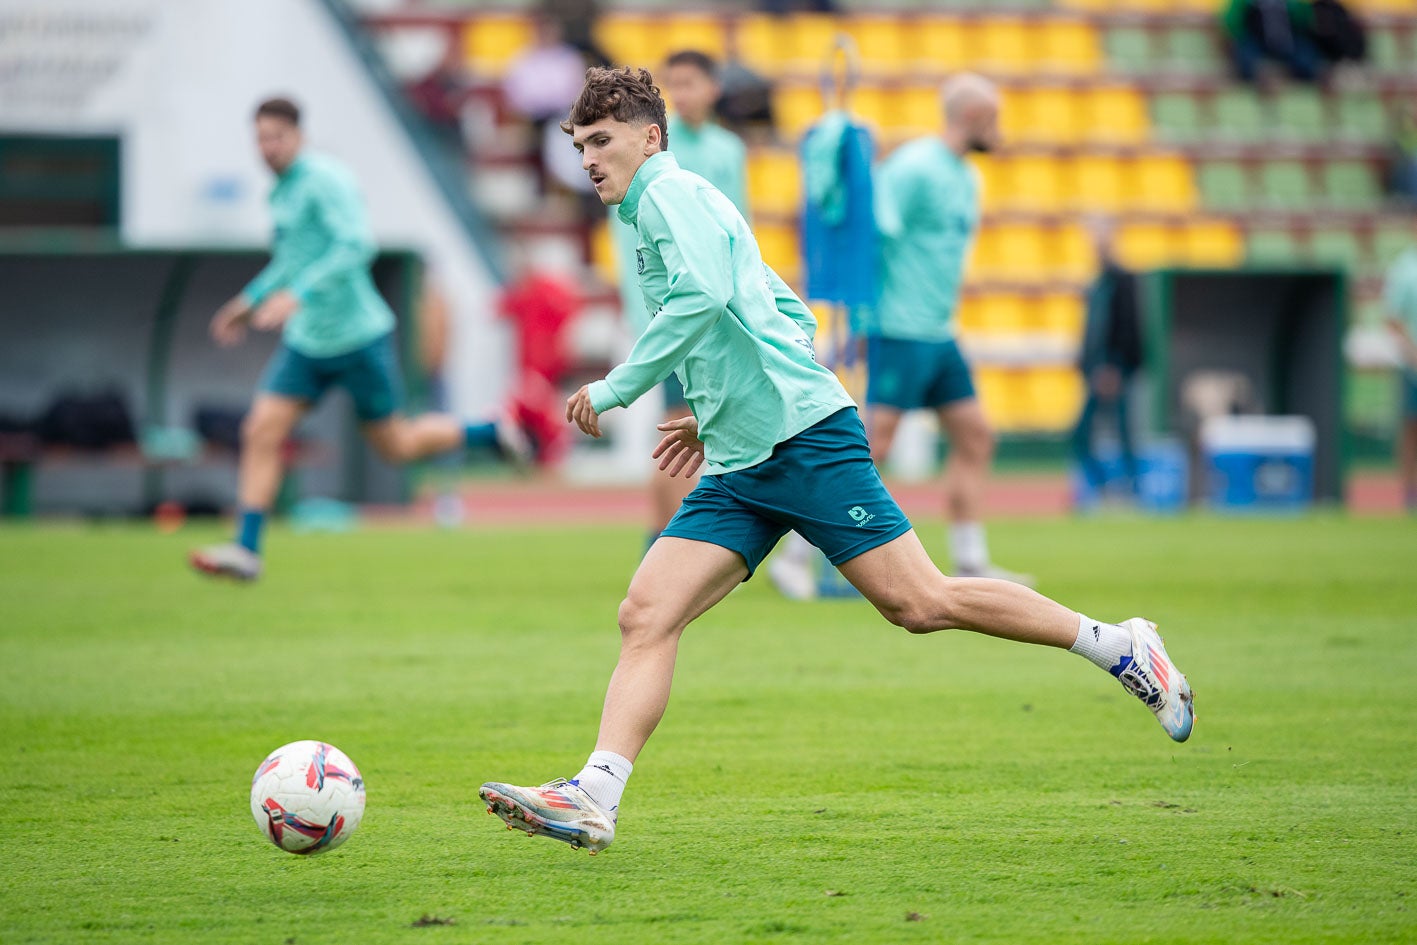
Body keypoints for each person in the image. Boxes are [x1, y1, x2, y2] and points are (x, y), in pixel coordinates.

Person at [477, 67, 1196, 856]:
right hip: (744, 456)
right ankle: (594, 794)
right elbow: (779, 306)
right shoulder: (669, 205)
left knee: (920, 602)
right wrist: (722, 408)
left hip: (804, 443)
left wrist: (619, 386)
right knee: (646, 612)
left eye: (601, 140)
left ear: (650, 137)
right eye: (580, 144)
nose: (587, 158)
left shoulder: (670, 196)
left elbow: (705, 298)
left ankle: (1118, 644)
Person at [189, 97, 535, 582]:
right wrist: (248, 302)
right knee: (261, 430)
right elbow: (293, 260)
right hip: (308, 342)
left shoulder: (326, 180)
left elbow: (356, 245)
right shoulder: (282, 192)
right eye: (260, 139)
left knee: (397, 445)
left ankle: (488, 433)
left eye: (276, 137)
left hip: (356, 337)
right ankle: (247, 549)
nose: (267, 148)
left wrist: (298, 295)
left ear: (298, 136)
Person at [772, 74, 1029, 601]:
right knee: (869, 446)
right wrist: (862, 321)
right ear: (973, 117)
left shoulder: (966, 176)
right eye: (994, 118)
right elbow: (868, 233)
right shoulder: (915, 169)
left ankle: (971, 557)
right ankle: (795, 554)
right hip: (900, 327)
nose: (999, 130)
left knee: (976, 436)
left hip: (939, 331)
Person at [609, 49, 749, 552]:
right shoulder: (650, 152)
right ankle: (665, 541)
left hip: (715, 312)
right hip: (670, 312)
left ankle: (683, 541)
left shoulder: (728, 150)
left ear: (714, 88)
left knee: (705, 426)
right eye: (676, 85)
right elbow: (632, 245)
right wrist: (646, 316)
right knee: (677, 426)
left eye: (692, 83)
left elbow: (737, 230)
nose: (683, 94)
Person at [1071, 217, 1144, 508]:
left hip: (1114, 370)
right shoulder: (1097, 281)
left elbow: (1129, 326)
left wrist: (1114, 366)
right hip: (1094, 371)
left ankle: (1128, 491)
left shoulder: (1121, 279)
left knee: (1123, 432)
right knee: (1084, 434)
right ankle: (1107, 489)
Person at [1383, 229, 1417, 512]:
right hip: (1413, 365)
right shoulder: (1406, 268)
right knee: (1411, 427)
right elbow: (1393, 319)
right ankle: (1409, 494)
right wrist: (1413, 354)